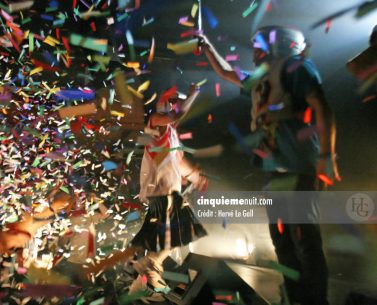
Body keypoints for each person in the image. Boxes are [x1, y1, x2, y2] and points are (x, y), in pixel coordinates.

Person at [198, 26, 340, 305]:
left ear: (281, 47)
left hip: (300, 168)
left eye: (259, 46)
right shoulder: (262, 81)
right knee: (282, 241)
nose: (253, 53)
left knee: (305, 240)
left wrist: (327, 155)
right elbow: (227, 73)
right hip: (275, 172)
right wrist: (206, 46)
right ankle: (296, 298)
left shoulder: (297, 69)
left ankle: (316, 301)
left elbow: (322, 108)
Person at [128, 84, 208, 301]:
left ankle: (142, 279)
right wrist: (193, 94)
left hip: (166, 190)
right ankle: (147, 268)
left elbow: (180, 162)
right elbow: (176, 115)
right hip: (160, 190)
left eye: (176, 101)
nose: (175, 105)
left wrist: (195, 178)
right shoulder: (154, 121)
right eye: (173, 101)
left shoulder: (171, 133)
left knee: (172, 236)